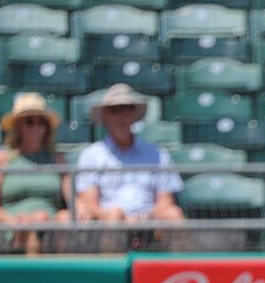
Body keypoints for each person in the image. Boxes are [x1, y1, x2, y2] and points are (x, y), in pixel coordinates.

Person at [75, 84, 184, 223]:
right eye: (115, 110)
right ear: (106, 116)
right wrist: (120, 218)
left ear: (134, 114)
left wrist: (141, 219)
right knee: (115, 215)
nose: (121, 116)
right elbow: (90, 203)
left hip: (150, 223)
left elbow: (165, 201)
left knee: (174, 214)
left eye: (127, 109)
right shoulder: (91, 155)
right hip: (107, 221)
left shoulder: (158, 154)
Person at [0, 93, 71, 254]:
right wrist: (12, 221)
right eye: (29, 122)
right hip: (14, 225)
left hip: (51, 224)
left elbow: (73, 198)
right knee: (35, 224)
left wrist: (74, 211)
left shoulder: (57, 158)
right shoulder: (3, 159)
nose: (36, 127)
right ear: (18, 127)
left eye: (41, 122)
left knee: (60, 219)